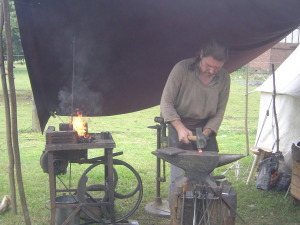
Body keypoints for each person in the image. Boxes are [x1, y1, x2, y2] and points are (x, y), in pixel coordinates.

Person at [160, 39, 230, 222]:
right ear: (201, 55)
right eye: (209, 65)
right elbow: (166, 103)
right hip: (179, 123)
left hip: (205, 127)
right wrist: (180, 127)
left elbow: (220, 110)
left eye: (218, 67)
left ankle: (203, 213)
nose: (212, 71)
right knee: (180, 174)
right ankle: (178, 213)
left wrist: (206, 132)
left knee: (208, 171)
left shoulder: (224, 78)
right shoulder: (182, 69)